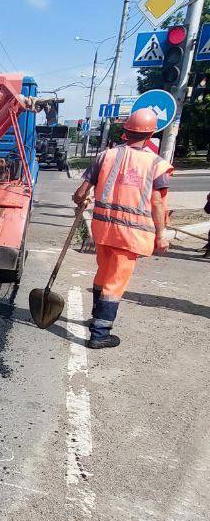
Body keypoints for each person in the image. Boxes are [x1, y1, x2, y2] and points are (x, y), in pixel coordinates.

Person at [72, 107, 173, 350]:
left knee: (104, 273)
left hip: (103, 230)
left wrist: (81, 200)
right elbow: (157, 202)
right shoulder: (157, 165)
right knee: (114, 283)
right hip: (131, 235)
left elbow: (79, 193)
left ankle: (96, 316)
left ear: (126, 131)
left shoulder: (105, 157)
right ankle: (100, 333)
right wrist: (161, 235)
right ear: (150, 135)